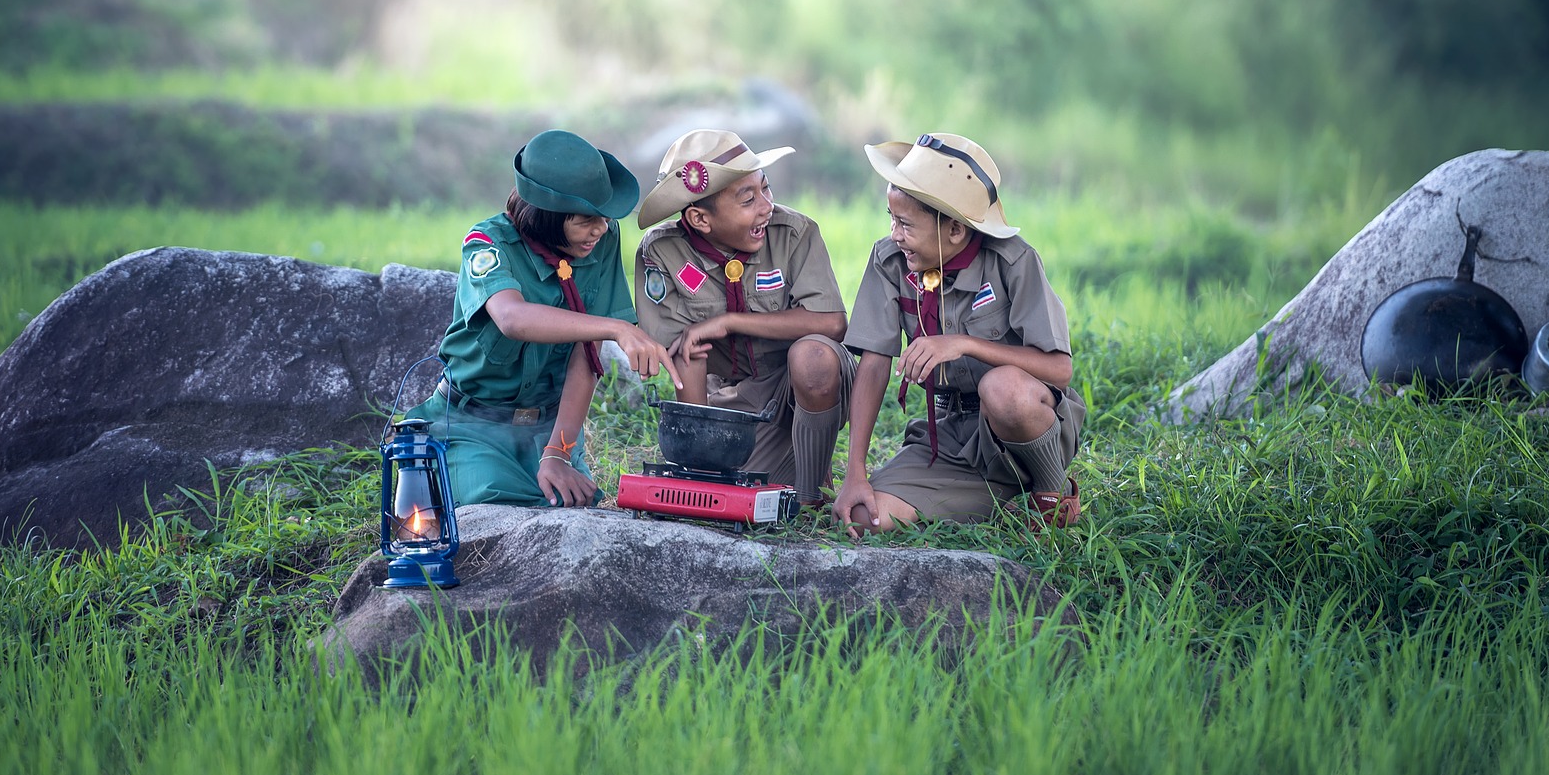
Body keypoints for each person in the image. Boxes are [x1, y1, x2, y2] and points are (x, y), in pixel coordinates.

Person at [406, 129, 678, 508]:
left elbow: (587, 359)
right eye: (586, 219)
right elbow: (512, 318)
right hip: (473, 426)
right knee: (497, 504)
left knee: (569, 507)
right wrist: (617, 328)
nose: (600, 228)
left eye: (604, 217)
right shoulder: (488, 243)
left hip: (548, 428)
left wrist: (558, 453)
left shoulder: (600, 237)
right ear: (546, 216)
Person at [831, 132, 1085, 534]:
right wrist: (855, 472)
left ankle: (1050, 495)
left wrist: (964, 344)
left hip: (1024, 424)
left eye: (905, 224)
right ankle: (997, 500)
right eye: (891, 219)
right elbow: (875, 362)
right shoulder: (890, 260)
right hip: (953, 440)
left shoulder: (1013, 262)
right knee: (864, 519)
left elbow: (1059, 370)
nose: (895, 234)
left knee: (1003, 389)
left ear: (954, 230)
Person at [633, 129, 855, 506]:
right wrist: (697, 462)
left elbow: (832, 322)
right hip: (735, 396)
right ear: (700, 219)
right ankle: (790, 463)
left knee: (813, 359)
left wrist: (731, 322)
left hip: (797, 382)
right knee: (729, 486)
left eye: (766, 189)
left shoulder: (793, 233)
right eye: (748, 199)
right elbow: (684, 353)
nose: (766, 206)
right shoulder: (663, 253)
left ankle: (812, 492)